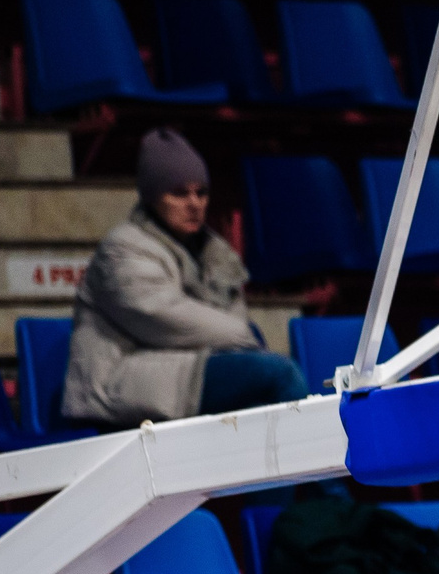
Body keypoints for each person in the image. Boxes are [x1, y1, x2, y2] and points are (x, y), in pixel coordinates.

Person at [64, 130, 310, 430]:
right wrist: (242, 336)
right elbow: (162, 316)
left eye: (201, 192)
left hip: (181, 372)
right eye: (179, 193)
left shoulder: (214, 253)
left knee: (263, 408)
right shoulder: (123, 248)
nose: (194, 203)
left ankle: (308, 477)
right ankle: (327, 478)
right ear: (153, 197)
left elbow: (225, 325)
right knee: (278, 374)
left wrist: (240, 341)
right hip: (122, 383)